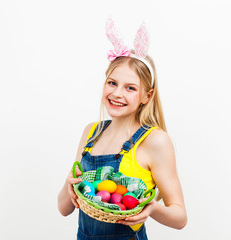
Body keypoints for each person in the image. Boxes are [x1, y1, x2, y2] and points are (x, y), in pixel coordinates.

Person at [57, 18, 187, 240]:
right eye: (112, 83)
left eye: (130, 88)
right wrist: (69, 189)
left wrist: (153, 209)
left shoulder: (154, 141)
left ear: (147, 96)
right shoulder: (91, 132)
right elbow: (64, 209)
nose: (117, 94)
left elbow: (180, 217)